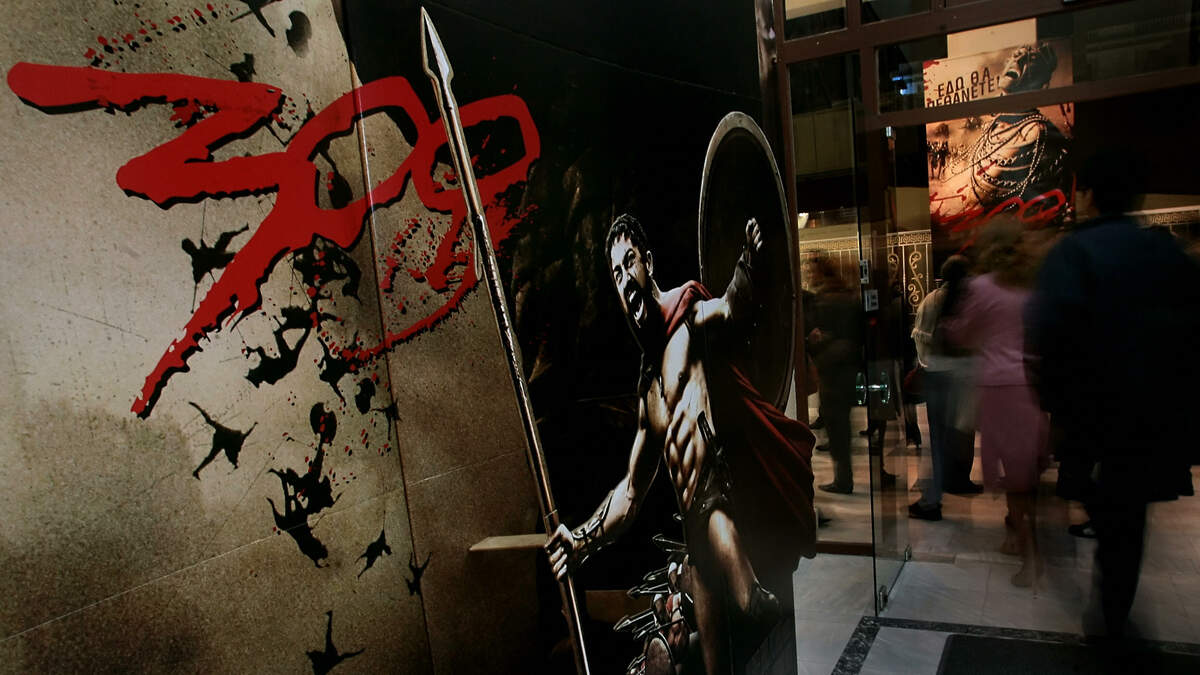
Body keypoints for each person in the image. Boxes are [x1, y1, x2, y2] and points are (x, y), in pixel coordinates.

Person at [546, 214, 816, 674]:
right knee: (714, 665)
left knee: (753, 602)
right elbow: (631, 494)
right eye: (615, 272)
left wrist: (747, 263)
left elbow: (729, 308)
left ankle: (756, 606)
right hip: (695, 531)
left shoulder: (687, 316)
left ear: (648, 263)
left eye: (629, 262)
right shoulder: (648, 392)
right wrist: (581, 541)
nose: (624, 278)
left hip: (717, 500)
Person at [1026, 148, 1200, 637]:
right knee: (1129, 518)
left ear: (1087, 194)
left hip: (1094, 413)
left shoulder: (1074, 253)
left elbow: (1049, 336)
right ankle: (1115, 611)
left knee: (1105, 506)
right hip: (1155, 416)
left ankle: (1109, 620)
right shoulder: (1166, 253)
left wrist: (1055, 409)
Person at [943, 220, 1049, 587]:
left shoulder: (982, 287)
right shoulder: (1031, 287)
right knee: (1024, 473)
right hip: (1030, 386)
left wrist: (950, 326)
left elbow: (962, 334)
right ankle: (1017, 537)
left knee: (1015, 479)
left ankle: (1030, 557)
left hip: (999, 389)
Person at [908, 255, 976, 521]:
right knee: (961, 434)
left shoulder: (933, 300)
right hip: (964, 376)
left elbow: (920, 337)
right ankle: (959, 479)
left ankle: (932, 498)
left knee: (937, 439)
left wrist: (925, 364)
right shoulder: (970, 301)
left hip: (937, 374)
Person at [803, 256, 863, 494]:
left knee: (837, 428)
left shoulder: (825, 301)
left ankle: (843, 480)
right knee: (841, 426)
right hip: (847, 370)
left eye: (811, 271)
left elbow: (818, 338)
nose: (809, 275)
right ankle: (843, 476)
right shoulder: (848, 297)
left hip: (832, 372)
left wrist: (816, 344)